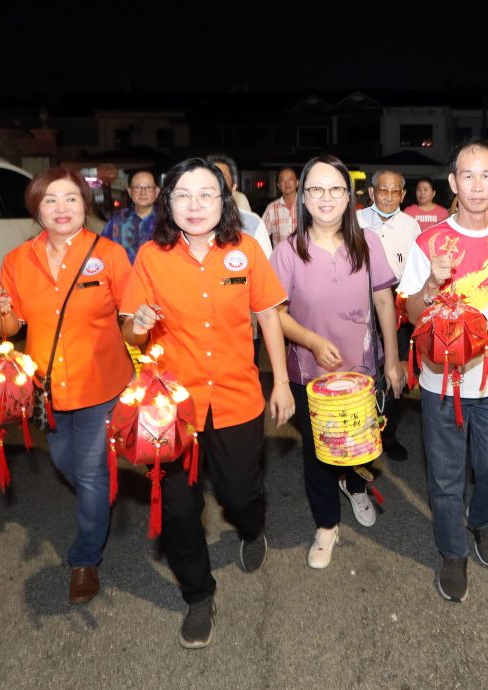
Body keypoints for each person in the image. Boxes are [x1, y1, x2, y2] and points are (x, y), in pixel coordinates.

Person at [120, 158, 294, 649]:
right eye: (183, 196)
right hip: (174, 407)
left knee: (240, 495)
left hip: (238, 397)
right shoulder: (151, 258)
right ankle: (198, 594)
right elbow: (128, 329)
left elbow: (268, 317)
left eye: (206, 195)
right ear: (166, 202)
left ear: (225, 199)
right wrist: (141, 322)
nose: (195, 206)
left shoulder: (247, 250)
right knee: (178, 510)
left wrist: (280, 382)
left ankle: (251, 527)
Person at [0, 168, 134, 607]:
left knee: (86, 471)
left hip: (101, 384)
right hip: (46, 387)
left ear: (85, 205)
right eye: (50, 200)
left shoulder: (107, 254)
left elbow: (130, 319)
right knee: (65, 462)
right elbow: (9, 327)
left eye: (70, 199)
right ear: (36, 209)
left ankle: (84, 558)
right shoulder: (17, 260)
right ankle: (100, 493)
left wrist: (141, 328)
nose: (61, 208)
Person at [399, 139, 488, 603]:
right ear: (453, 182)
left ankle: (481, 519)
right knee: (444, 478)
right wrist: (431, 282)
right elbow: (414, 314)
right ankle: (452, 551)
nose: (477, 185)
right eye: (467, 176)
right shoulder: (428, 241)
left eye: (487, 175)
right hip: (441, 384)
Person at [271, 154, 403, 570]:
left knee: (356, 444)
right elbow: (275, 313)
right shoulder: (288, 250)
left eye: (335, 189)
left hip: (360, 369)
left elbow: (384, 300)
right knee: (318, 451)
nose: (326, 198)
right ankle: (326, 525)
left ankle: (356, 486)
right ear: (303, 197)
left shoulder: (368, 243)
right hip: (310, 375)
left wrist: (393, 361)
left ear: (349, 196)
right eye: (316, 189)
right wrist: (310, 340)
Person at [357, 169, 421, 461]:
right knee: (363, 368)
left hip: (399, 302)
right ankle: (360, 432)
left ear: (403, 195)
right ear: (372, 192)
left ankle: (388, 434)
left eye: (395, 191)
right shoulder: (354, 222)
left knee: (398, 371)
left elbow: (417, 272)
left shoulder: (411, 226)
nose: (389, 196)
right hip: (360, 302)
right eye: (383, 190)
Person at [207, 153, 275, 364]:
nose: (214, 183)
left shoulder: (251, 224)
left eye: (221, 178)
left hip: (241, 333)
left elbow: (267, 284)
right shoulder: (185, 224)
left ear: (234, 187)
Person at [102, 169, 160, 262]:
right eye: (137, 187)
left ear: (156, 191)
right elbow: (103, 251)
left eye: (148, 187)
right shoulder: (117, 220)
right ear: (129, 192)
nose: (143, 192)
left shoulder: (167, 221)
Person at [262, 167, 299, 246]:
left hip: (303, 257)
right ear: (278, 185)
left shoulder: (307, 205)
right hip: (280, 257)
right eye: (283, 180)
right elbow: (262, 235)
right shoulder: (271, 208)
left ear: (297, 183)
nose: (287, 183)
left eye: (290, 179)